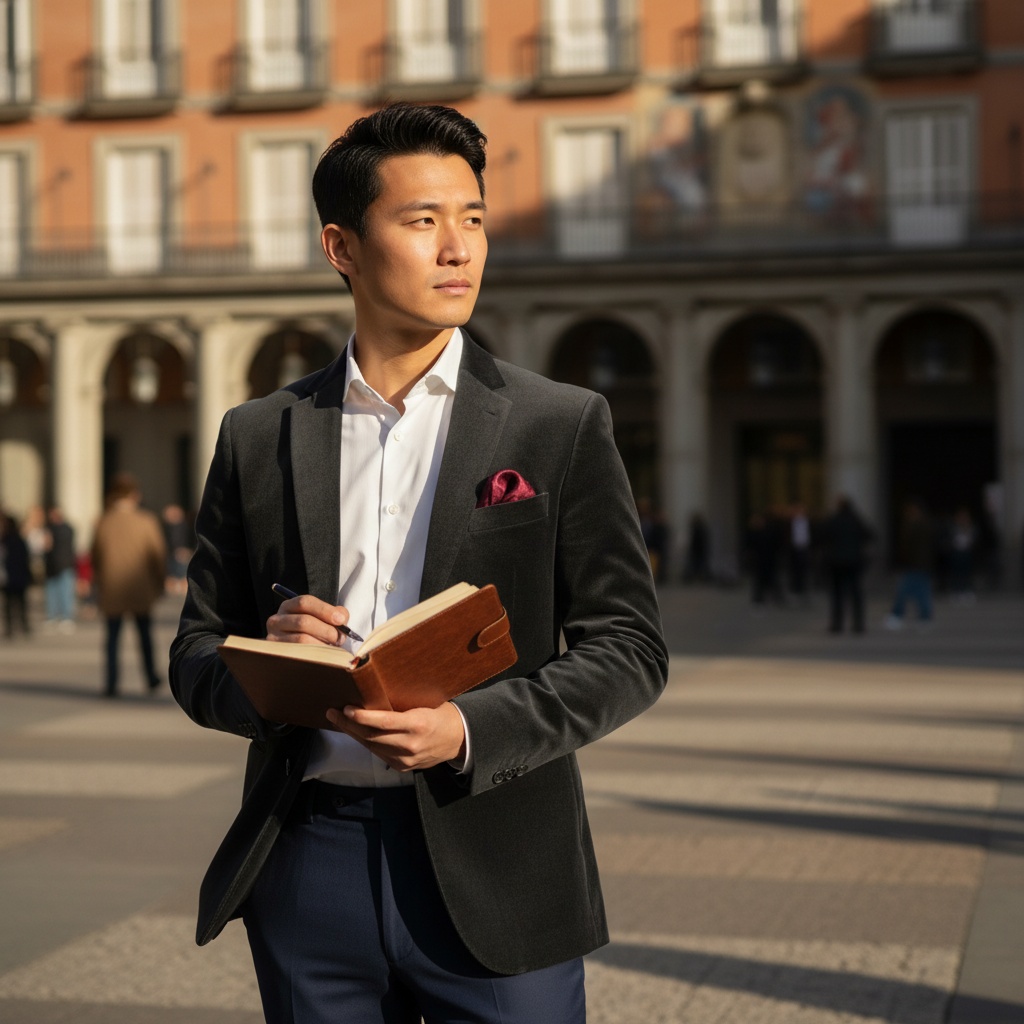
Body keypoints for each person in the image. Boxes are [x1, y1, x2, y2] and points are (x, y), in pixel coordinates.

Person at [169, 103, 668, 1024]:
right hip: (310, 861)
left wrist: (470, 729)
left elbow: (631, 648)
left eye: (473, 218)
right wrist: (269, 666)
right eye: (422, 220)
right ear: (342, 247)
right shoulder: (259, 434)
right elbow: (197, 651)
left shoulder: (556, 423)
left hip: (501, 856)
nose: (459, 248)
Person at [91, 473, 167, 696]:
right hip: (139, 586)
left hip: (112, 587)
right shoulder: (146, 520)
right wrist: (159, 582)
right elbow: (158, 555)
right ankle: (151, 676)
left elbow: (95, 555)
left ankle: (112, 681)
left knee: (112, 638)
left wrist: (98, 581)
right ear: (134, 495)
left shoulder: (104, 521)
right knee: (144, 635)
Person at [820, 495, 873, 634]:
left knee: (837, 594)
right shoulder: (856, 520)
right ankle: (858, 624)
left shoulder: (833, 520)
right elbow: (870, 535)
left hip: (837, 562)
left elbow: (822, 535)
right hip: (854, 561)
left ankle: (837, 624)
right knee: (856, 594)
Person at [884, 499, 935, 630]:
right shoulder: (924, 524)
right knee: (921, 592)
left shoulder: (916, 525)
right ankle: (924, 618)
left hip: (916, 564)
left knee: (905, 591)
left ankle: (897, 616)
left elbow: (909, 545)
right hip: (919, 564)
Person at [44, 505, 77, 631]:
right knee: (57, 592)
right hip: (60, 564)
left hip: (60, 564)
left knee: (61, 592)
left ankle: (62, 616)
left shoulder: (53, 529)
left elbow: (47, 545)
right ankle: (60, 617)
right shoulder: (68, 528)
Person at [1, 512, 32, 638]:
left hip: (11, 575)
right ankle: (22, 626)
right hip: (17, 576)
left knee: (12, 603)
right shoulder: (19, 540)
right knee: (19, 603)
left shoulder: (7, 541)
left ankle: (14, 627)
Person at [161, 503, 194, 596]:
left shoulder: (186, 526)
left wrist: (187, 550)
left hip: (182, 557)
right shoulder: (166, 527)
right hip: (171, 556)